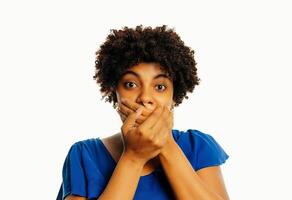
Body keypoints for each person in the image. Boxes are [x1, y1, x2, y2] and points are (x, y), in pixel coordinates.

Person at [56, 25, 230, 200]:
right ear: (114, 92)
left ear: (174, 97)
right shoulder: (85, 154)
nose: (145, 98)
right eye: (131, 84)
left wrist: (165, 144)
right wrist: (133, 157)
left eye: (160, 87)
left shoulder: (196, 146)